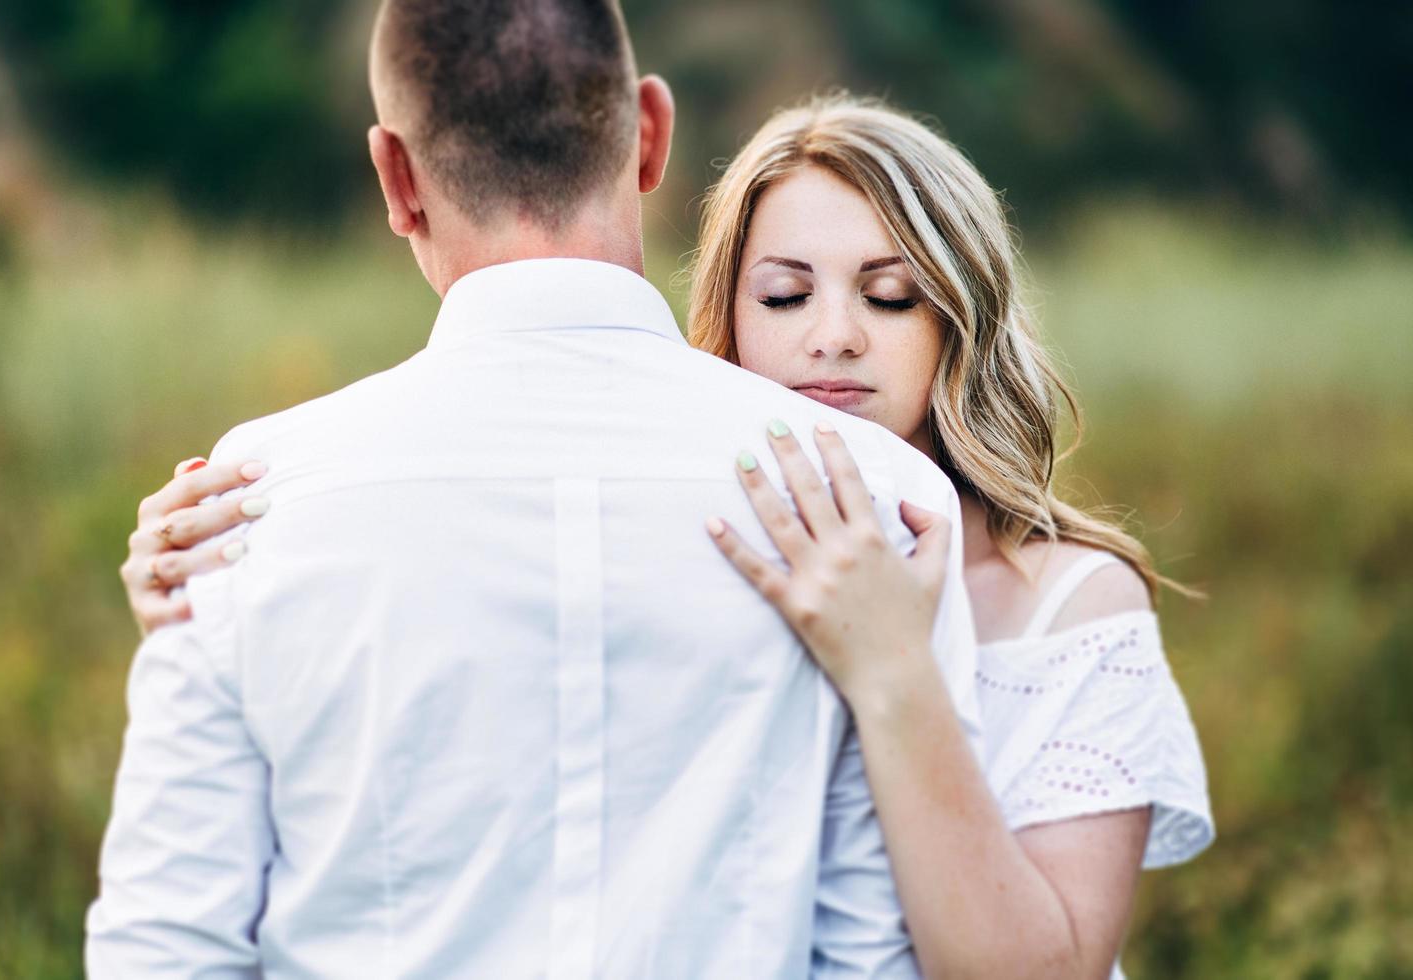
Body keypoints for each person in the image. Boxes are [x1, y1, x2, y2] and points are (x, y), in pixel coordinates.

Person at [122, 92, 1213, 977]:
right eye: (784, 296)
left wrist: (895, 670)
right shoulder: (693, 532)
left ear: (957, 320)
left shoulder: (1070, 599)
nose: (833, 337)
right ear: (727, 316)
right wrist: (220, 598)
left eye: (888, 296)